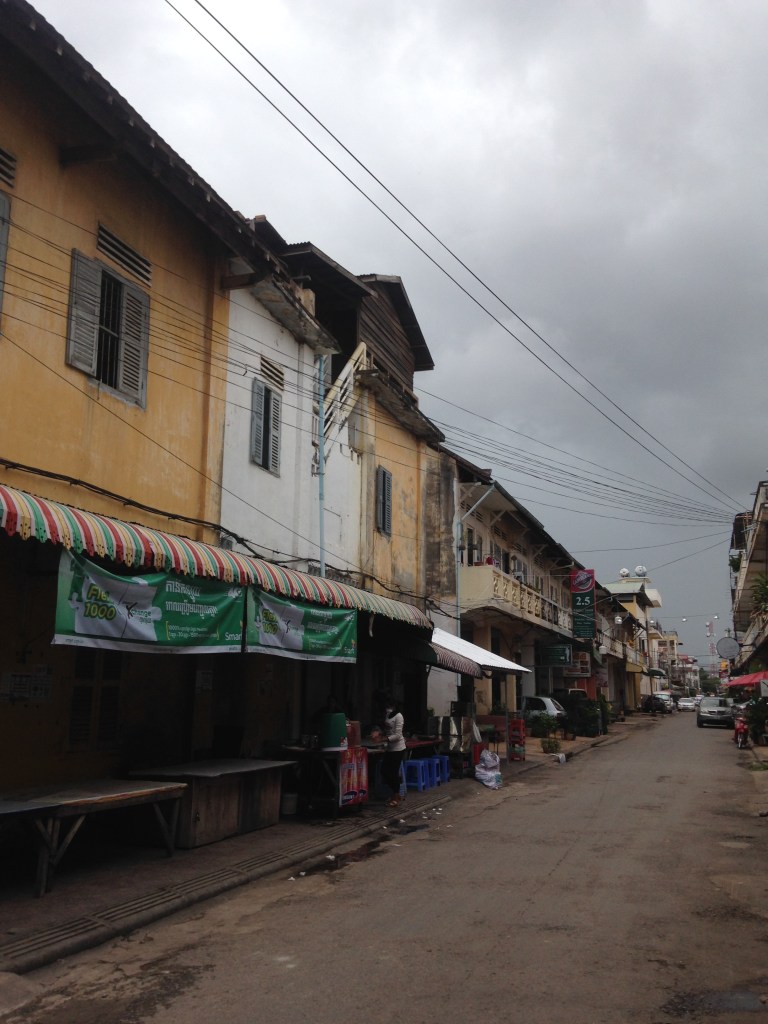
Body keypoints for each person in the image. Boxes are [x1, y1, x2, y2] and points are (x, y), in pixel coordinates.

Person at [381, 699, 406, 807]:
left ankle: (396, 796)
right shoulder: (388, 715)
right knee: (384, 771)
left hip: (398, 748)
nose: (387, 708)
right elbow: (387, 730)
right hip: (389, 748)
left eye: (389, 706)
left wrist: (384, 739)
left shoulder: (399, 716)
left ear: (394, 706)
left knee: (393, 772)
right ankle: (395, 793)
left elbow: (397, 735)